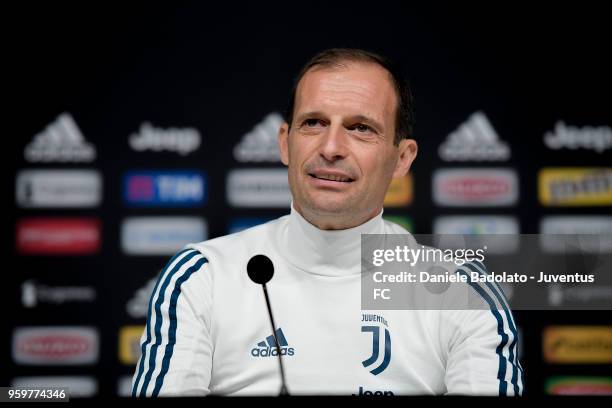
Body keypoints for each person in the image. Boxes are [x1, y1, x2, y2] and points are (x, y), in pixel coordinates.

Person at [131, 48, 523, 397]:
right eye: (314, 123)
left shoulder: (462, 293)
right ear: (285, 142)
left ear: (402, 158)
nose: (331, 148)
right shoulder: (202, 276)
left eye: (360, 128)